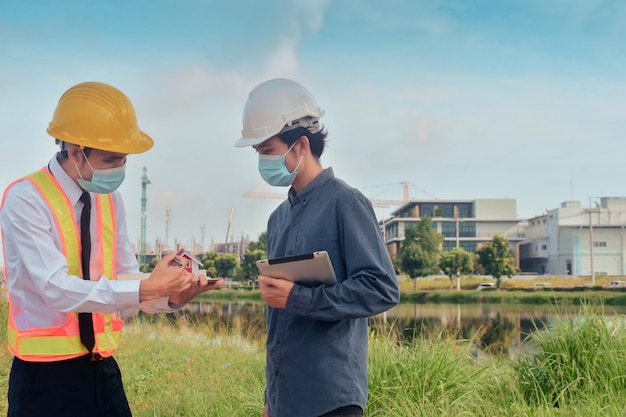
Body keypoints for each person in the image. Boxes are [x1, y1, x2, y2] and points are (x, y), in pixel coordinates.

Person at [0, 81, 223, 417]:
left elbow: (123, 278)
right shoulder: (26, 199)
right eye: (111, 159)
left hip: (102, 371)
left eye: (123, 160)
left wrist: (172, 295)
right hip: (44, 378)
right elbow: (54, 288)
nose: (119, 169)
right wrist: (146, 287)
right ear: (76, 151)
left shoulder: (108, 199)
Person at [234, 78, 400, 417]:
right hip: (286, 400)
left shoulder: (346, 203)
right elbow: (278, 321)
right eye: (258, 153)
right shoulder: (277, 219)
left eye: (268, 150)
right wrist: (272, 396)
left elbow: (381, 289)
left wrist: (297, 297)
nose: (262, 161)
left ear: (301, 146)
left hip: (331, 399)